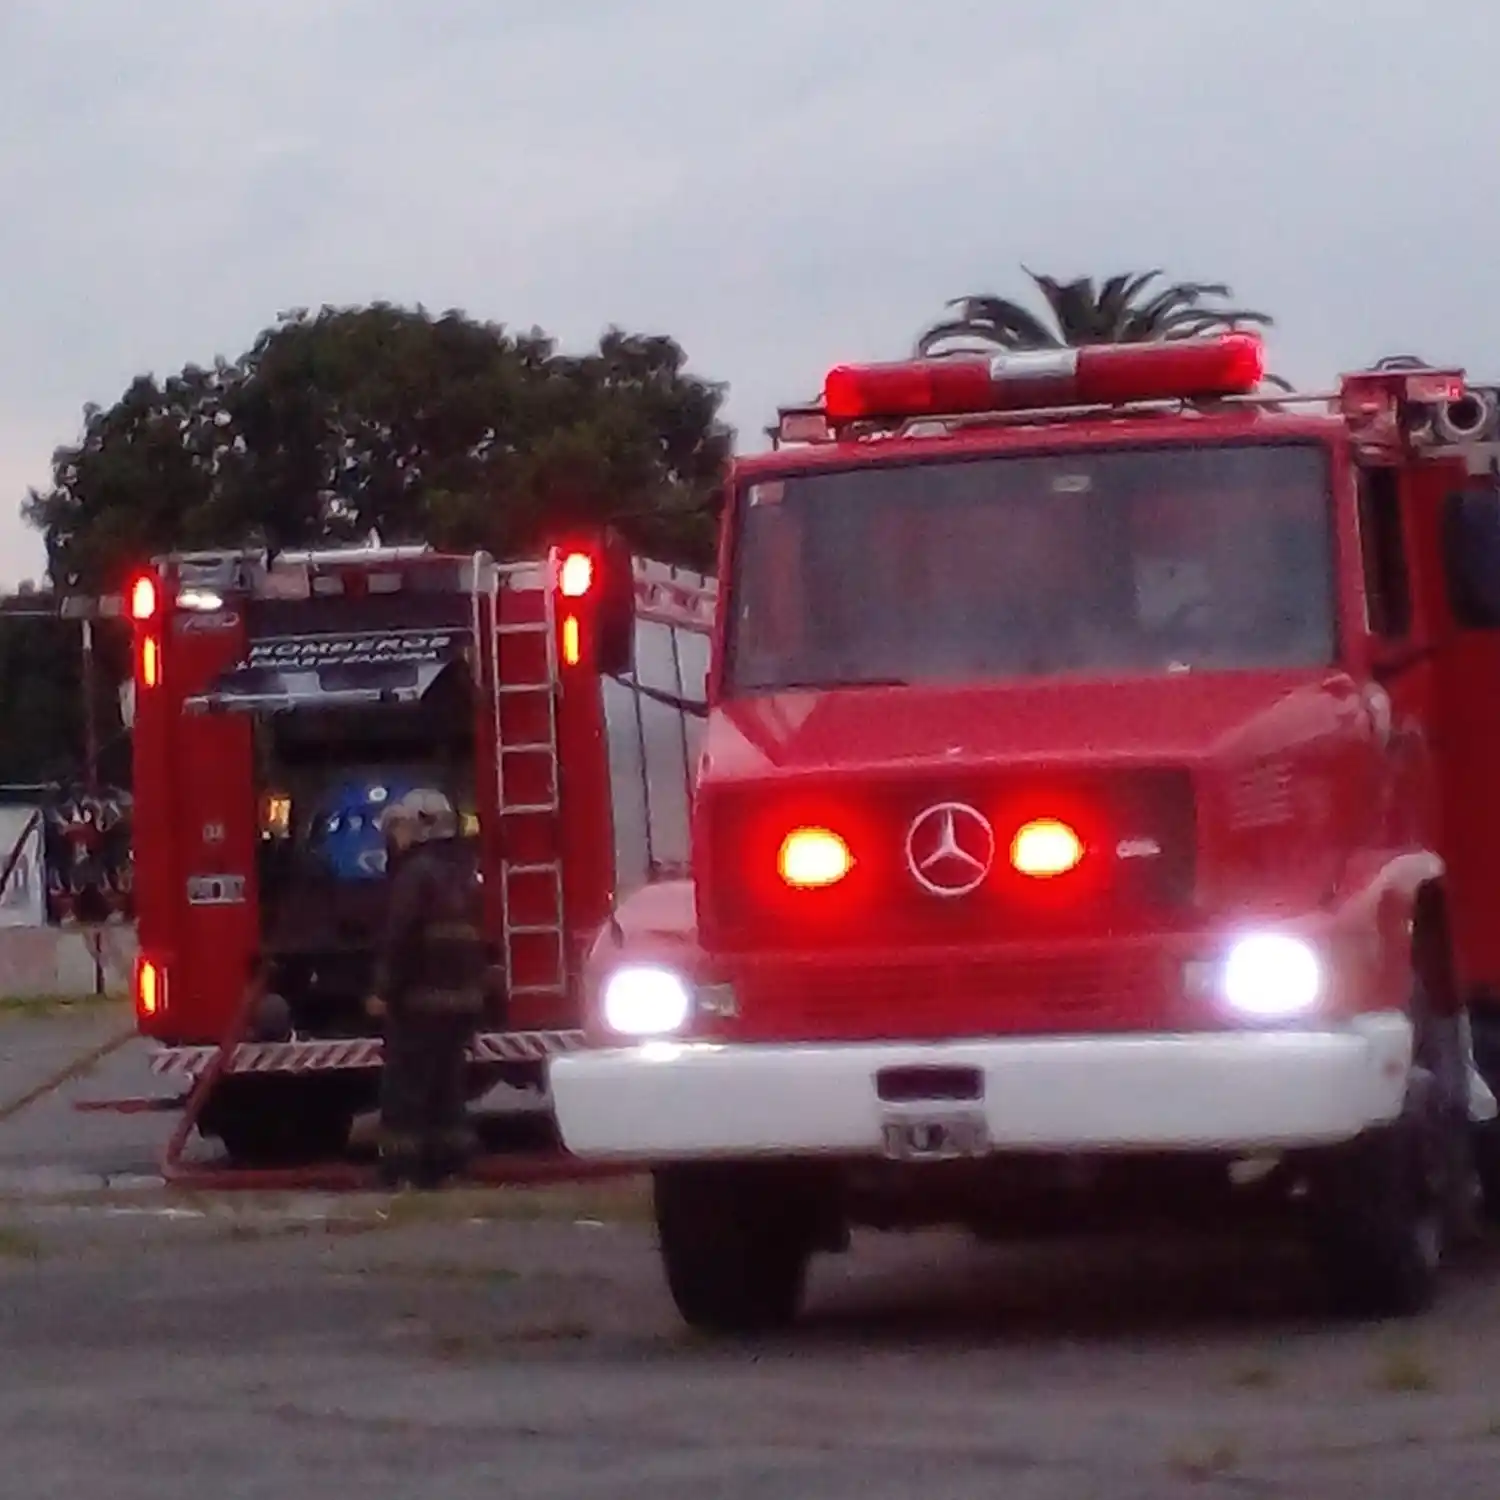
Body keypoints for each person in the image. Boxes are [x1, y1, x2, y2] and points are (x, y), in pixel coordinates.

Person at [366, 789, 493, 1189]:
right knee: (447, 1089)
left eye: (401, 826)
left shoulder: (415, 874)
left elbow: (400, 939)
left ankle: (401, 1170)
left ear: (422, 825)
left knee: (406, 1090)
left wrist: (383, 991)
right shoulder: (463, 871)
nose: (394, 836)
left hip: (421, 1002)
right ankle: (449, 1166)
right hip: (461, 1002)